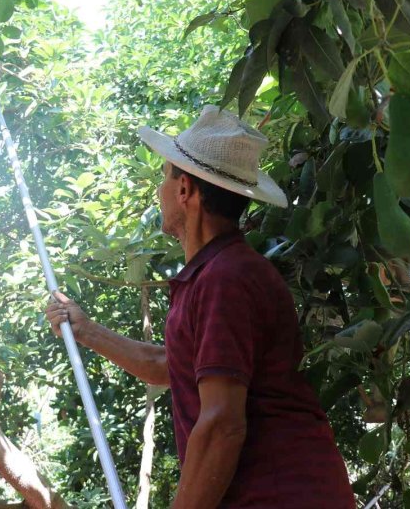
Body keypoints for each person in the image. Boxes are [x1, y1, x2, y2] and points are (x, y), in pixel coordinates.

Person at [45, 106, 355, 508]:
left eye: (164, 176)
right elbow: (168, 366)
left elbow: (222, 424)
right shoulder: (217, 273)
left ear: (185, 190)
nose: (159, 189)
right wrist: (84, 329)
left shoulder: (226, 277)